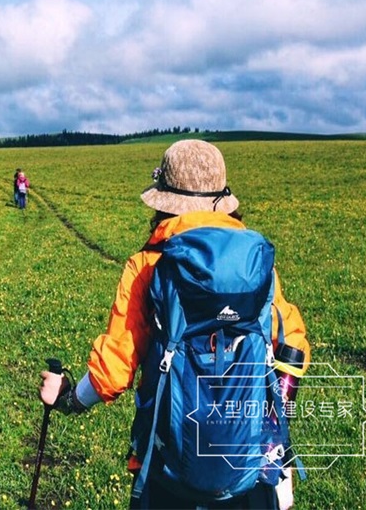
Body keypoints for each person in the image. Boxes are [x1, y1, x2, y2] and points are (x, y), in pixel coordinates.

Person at [39, 140, 311, 510]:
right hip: (251, 469)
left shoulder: (147, 266)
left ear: (164, 201)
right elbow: (292, 345)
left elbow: (113, 372)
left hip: (169, 469)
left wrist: (69, 399)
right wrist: (269, 424)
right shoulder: (255, 266)